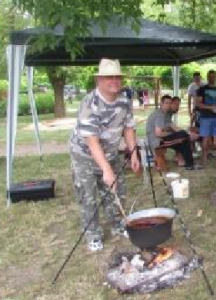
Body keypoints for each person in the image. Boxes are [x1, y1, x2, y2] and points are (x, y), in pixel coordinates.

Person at [69, 58, 140, 252]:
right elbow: (91, 141)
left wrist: (133, 154)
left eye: (117, 77)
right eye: (109, 77)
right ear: (99, 80)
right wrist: (106, 171)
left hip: (110, 154)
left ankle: (118, 225)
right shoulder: (90, 104)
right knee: (88, 196)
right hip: (84, 156)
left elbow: (129, 128)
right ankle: (93, 234)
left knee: (117, 191)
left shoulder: (124, 100)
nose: (114, 81)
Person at [146, 95, 201, 170]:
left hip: (160, 139)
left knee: (183, 140)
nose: (168, 105)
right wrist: (179, 134)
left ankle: (189, 164)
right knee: (183, 136)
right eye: (166, 103)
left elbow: (174, 128)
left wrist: (188, 134)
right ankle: (188, 163)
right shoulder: (160, 114)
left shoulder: (165, 114)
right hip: (157, 141)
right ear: (161, 103)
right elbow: (158, 133)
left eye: (169, 103)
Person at [196, 70, 216, 166]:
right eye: (210, 76)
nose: (212, 78)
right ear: (207, 77)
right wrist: (211, 107)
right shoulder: (202, 89)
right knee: (205, 138)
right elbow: (199, 104)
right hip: (205, 117)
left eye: (214, 76)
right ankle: (204, 159)